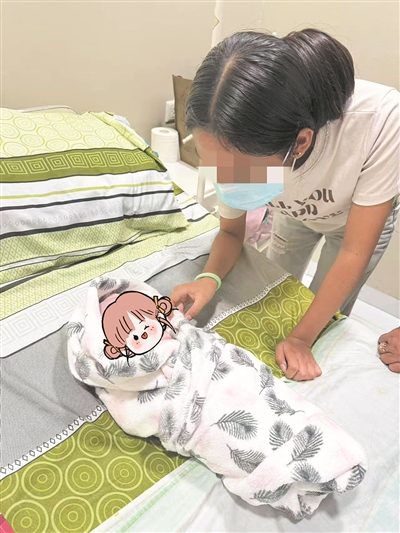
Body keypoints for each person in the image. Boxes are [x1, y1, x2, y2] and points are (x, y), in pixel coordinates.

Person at [170, 28, 400, 382]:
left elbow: (353, 253)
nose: (226, 182)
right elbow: (231, 233)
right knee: (275, 284)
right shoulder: (232, 137)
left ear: (300, 143)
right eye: (212, 163)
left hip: (352, 225)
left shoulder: (379, 120)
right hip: (293, 213)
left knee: (323, 313)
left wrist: (302, 339)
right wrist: (208, 277)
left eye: (241, 173)